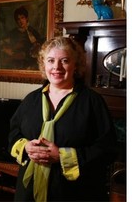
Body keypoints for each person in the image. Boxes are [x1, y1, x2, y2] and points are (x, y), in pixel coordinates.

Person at [8, 36, 117, 201]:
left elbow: (108, 149)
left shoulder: (92, 101)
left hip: (75, 193)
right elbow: (13, 134)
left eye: (64, 60)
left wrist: (62, 156)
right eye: (51, 60)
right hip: (28, 191)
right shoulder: (31, 100)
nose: (56, 67)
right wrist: (26, 147)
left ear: (76, 65)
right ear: (44, 64)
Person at [0, 6, 44, 70]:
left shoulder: (33, 32)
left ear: (26, 18)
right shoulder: (12, 32)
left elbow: (40, 49)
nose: (20, 21)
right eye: (18, 19)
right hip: (15, 63)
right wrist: (5, 49)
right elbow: (0, 43)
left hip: (30, 63)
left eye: (22, 18)